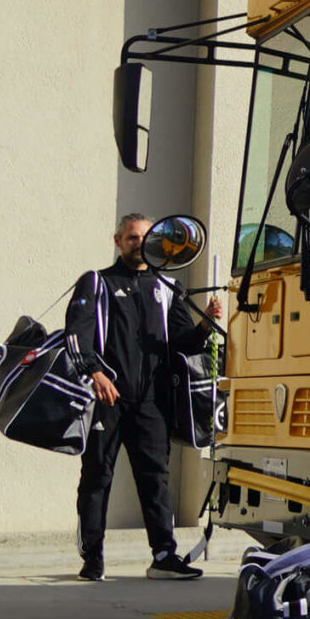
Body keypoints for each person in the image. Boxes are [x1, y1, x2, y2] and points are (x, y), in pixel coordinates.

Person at [68, 213, 221, 581]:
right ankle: (92, 557)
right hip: (108, 397)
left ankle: (164, 556)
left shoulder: (167, 286)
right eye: (132, 237)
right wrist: (96, 372)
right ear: (117, 240)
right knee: (97, 477)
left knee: (156, 478)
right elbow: (76, 335)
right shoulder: (98, 282)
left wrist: (205, 325)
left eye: (144, 237)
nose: (139, 243)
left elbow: (181, 342)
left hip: (151, 401)